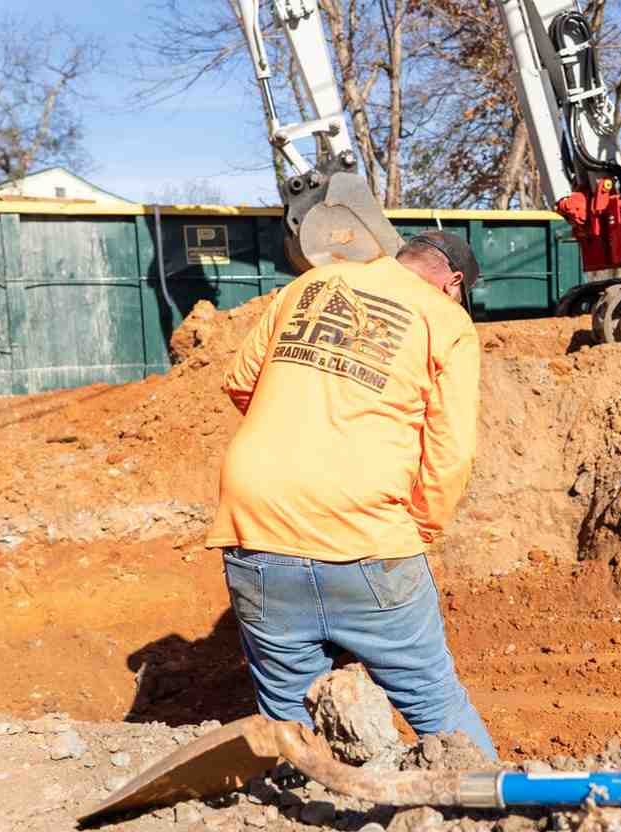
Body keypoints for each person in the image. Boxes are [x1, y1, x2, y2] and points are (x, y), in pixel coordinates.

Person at [204, 231, 497, 759]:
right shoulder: (447, 319)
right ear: (452, 282)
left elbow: (242, 381)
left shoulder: (313, 284)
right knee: (437, 706)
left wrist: (298, 433)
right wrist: (417, 533)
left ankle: (299, 810)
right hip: (368, 533)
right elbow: (450, 450)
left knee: (289, 720)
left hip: (257, 521)